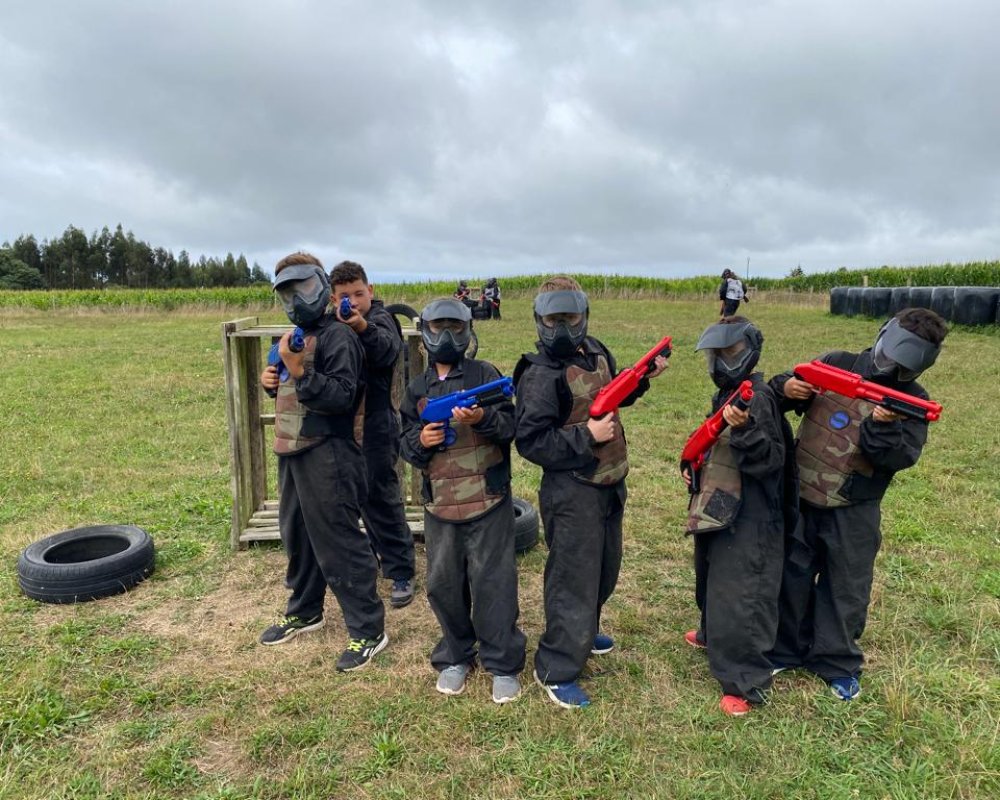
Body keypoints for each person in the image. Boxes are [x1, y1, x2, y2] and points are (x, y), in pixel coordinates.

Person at [767, 308, 948, 700]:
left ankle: (835, 662)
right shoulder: (837, 362)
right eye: (889, 357)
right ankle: (785, 649)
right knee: (792, 575)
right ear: (882, 337)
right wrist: (787, 388)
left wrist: (885, 426)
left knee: (846, 586)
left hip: (855, 505)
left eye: (904, 367)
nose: (891, 368)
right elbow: (780, 393)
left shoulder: (913, 401)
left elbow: (898, 458)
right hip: (802, 495)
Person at [514, 276, 668, 708]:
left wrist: (643, 378)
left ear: (584, 316)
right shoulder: (540, 375)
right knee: (572, 578)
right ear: (540, 320)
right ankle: (557, 666)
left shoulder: (597, 351)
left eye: (571, 317)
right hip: (572, 490)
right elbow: (531, 442)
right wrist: (587, 436)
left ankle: (584, 630)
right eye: (554, 319)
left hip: (609, 481)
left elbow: (615, 394)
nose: (563, 328)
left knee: (604, 567)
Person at [257, 252, 388, 672]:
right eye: (288, 294)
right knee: (297, 536)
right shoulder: (295, 336)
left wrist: (300, 372)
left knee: (339, 541)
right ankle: (305, 609)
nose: (298, 301)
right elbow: (287, 387)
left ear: (322, 286)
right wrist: (272, 380)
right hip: (291, 450)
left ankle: (368, 629)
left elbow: (342, 397)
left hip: (329, 451)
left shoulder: (339, 337)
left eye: (306, 289)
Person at [399, 298, 526, 704]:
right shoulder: (417, 389)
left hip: (488, 499)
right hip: (440, 504)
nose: (447, 337)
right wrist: (423, 440)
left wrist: (481, 419)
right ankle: (455, 655)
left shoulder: (484, 376)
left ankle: (502, 662)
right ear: (425, 333)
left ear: (469, 331)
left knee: (494, 582)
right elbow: (404, 441)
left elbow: (510, 427)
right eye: (438, 328)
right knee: (444, 584)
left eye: (456, 328)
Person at [681, 317, 798, 716]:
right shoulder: (730, 394)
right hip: (722, 502)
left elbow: (770, 461)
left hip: (754, 512)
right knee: (712, 576)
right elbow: (714, 441)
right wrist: (694, 466)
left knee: (744, 593)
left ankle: (746, 681)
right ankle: (713, 634)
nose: (720, 362)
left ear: (750, 352)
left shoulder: (757, 400)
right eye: (715, 355)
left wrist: (746, 430)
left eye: (729, 353)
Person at [330, 260, 417, 608]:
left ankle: (401, 570)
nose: (352, 301)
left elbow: (385, 350)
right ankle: (371, 555)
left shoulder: (382, 319)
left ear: (371, 291)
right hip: (342, 425)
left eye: (358, 293)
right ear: (333, 299)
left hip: (377, 424)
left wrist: (361, 326)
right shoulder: (332, 323)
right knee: (351, 496)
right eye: (344, 296)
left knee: (381, 497)